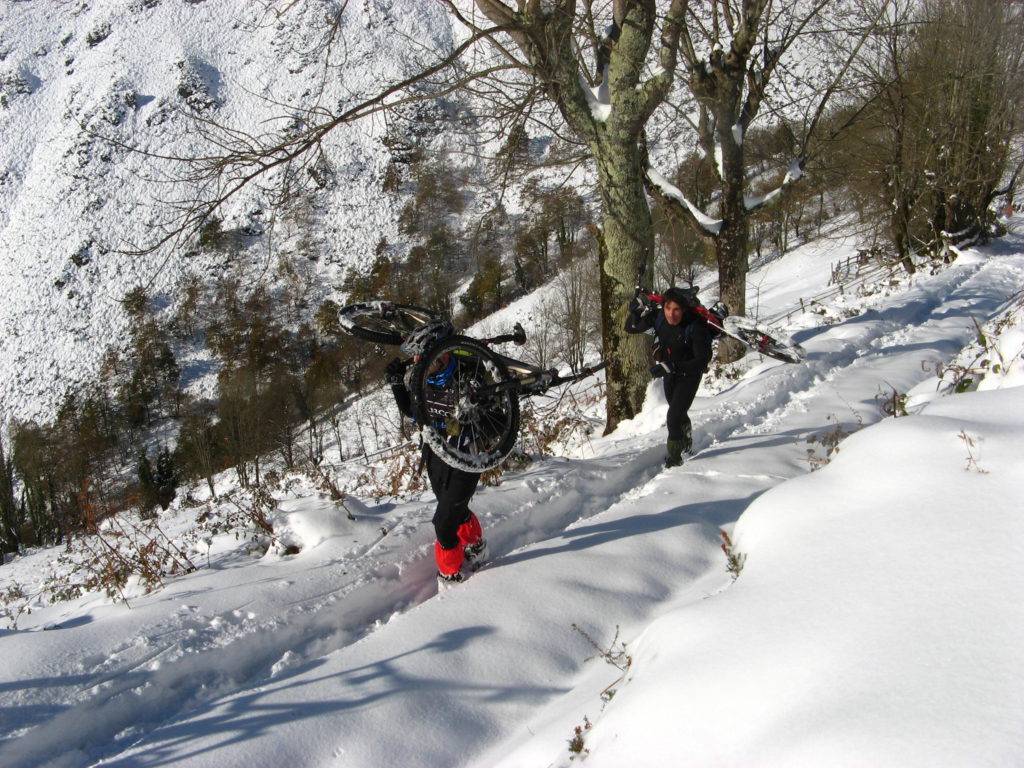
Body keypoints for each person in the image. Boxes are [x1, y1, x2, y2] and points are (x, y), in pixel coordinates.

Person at [386, 322, 488, 586]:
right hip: (436, 451)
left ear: (444, 353)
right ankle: (475, 544)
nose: (422, 364)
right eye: (418, 359)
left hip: (467, 454)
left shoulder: (468, 372)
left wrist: (476, 403)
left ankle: (450, 575)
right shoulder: (420, 379)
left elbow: (496, 418)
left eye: (427, 359)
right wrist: (397, 382)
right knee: (452, 507)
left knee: (443, 522)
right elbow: (412, 411)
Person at [625, 285, 713, 467]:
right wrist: (634, 311)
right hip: (669, 371)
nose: (671, 315)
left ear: (684, 309)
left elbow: (701, 361)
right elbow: (631, 328)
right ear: (663, 307)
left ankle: (675, 459)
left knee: (673, 416)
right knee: (677, 410)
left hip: (689, 373)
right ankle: (686, 434)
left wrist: (671, 366)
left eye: (676, 310)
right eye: (667, 308)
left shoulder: (695, 327)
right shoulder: (659, 318)